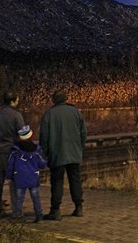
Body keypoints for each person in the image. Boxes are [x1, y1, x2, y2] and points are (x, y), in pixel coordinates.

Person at [40, 90, 87, 220]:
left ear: (53, 100)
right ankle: (78, 207)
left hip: (57, 153)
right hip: (74, 153)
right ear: (66, 99)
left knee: (57, 181)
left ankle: (55, 210)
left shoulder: (48, 114)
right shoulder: (76, 112)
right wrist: (79, 147)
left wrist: (45, 152)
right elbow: (83, 133)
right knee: (75, 180)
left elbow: (44, 137)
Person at [0, 91, 25, 218]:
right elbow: (24, 135)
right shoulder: (16, 115)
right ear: (13, 101)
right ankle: (17, 211)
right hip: (12, 151)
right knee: (14, 182)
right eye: (17, 100)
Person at [6, 125, 47, 223]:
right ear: (31, 137)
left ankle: (18, 215)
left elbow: (10, 165)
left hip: (19, 176)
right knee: (35, 196)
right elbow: (42, 164)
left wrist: (9, 176)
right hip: (33, 176)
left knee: (19, 197)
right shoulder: (36, 150)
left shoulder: (15, 150)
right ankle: (39, 214)